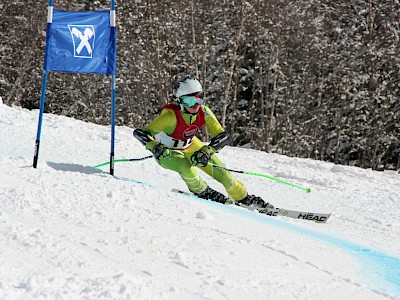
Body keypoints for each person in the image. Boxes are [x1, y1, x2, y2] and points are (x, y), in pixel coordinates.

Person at [133, 76, 273, 209]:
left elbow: (223, 136)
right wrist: (156, 147)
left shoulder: (204, 112)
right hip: (168, 151)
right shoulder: (170, 116)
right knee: (184, 165)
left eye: (198, 99)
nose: (195, 106)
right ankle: (203, 191)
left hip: (191, 145)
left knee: (224, 174)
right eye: (189, 101)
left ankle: (243, 197)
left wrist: (207, 151)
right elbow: (140, 133)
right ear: (179, 101)